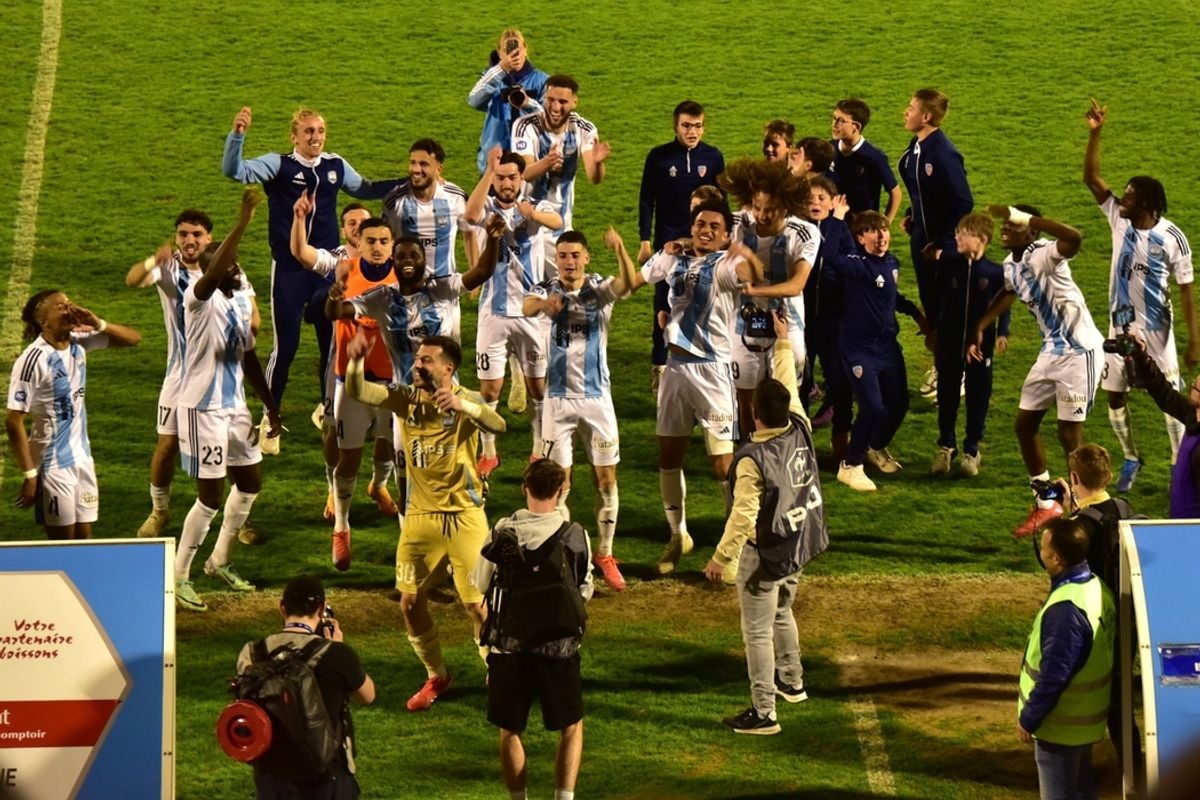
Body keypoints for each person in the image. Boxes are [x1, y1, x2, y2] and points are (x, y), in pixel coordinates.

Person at [344, 331, 506, 712]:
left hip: (465, 515)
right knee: (409, 602)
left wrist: (464, 407)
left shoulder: (465, 399)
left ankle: (497, 669)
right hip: (420, 517)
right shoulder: (406, 399)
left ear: (448, 369)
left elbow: (498, 425)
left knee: (476, 606)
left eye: (426, 360)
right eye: (417, 359)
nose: (417, 365)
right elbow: (359, 391)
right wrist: (355, 361)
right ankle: (437, 675)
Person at [222, 106, 402, 424]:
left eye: (320, 131)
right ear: (294, 136)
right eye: (308, 131)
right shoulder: (278, 165)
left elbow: (367, 189)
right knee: (286, 348)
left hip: (326, 270)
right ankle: (270, 416)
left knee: (330, 346)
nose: (315, 137)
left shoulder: (335, 165)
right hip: (290, 270)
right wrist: (237, 136)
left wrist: (412, 182)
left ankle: (327, 410)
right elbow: (236, 171)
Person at [329, 219, 506, 538]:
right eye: (401, 257)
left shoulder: (443, 288)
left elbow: (481, 272)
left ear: (424, 259)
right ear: (393, 262)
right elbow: (337, 312)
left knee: (457, 474)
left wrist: (492, 239)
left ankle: (460, 539)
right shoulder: (382, 297)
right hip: (406, 403)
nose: (408, 261)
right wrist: (335, 294)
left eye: (414, 255)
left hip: (448, 398)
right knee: (406, 482)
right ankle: (411, 550)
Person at [623, 198, 764, 573]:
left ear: (726, 234)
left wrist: (741, 250)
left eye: (715, 226)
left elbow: (755, 275)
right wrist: (630, 252)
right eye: (701, 224)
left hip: (712, 373)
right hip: (674, 370)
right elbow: (633, 282)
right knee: (669, 457)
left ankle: (734, 546)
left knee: (722, 463)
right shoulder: (673, 257)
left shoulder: (726, 265)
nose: (706, 230)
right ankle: (678, 534)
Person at [703, 309, 827, 735]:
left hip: (768, 551)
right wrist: (784, 340)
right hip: (801, 540)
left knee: (756, 632)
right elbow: (787, 380)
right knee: (783, 610)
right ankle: (792, 681)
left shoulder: (751, 460)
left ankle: (764, 712)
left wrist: (721, 558)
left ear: (754, 413)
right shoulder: (800, 425)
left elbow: (743, 517)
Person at [174, 189, 282, 612]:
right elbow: (215, 268)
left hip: (234, 407)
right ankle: (179, 576)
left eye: (236, 263)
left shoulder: (237, 301)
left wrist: (270, 405)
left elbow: (248, 356)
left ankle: (218, 561)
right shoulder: (197, 299)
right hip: (202, 408)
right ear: (213, 269)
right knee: (210, 497)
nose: (235, 268)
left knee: (250, 483)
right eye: (227, 264)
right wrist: (242, 222)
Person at [1083, 98, 1198, 491]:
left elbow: (1186, 291)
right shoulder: (1119, 219)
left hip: (1157, 332)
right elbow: (1091, 178)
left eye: (1130, 197)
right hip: (1119, 326)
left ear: (1146, 204)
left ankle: (1178, 462)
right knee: (1115, 395)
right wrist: (1096, 133)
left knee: (1171, 402)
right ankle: (1132, 457)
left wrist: (1193, 341)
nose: (1124, 200)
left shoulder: (1172, 238)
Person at [969, 205, 1104, 537]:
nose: (1005, 229)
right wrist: (982, 324)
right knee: (1024, 425)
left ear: (1030, 231)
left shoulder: (1044, 253)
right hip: (1051, 352)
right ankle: (1047, 503)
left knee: (1068, 434)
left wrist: (1028, 218)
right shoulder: (1010, 264)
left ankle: (1086, 510)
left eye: (1012, 225)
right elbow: (1009, 292)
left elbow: (1075, 237)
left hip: (1079, 352)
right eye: (1005, 224)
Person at [523, 228, 639, 591]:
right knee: (560, 484)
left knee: (606, 480)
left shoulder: (599, 289)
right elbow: (527, 307)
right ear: (555, 259)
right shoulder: (545, 288)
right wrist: (545, 306)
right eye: (563, 256)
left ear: (586, 258)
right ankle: (565, 556)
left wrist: (620, 249)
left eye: (575, 255)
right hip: (557, 402)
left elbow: (628, 283)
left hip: (597, 399)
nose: (569, 262)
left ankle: (605, 553)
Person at [471, 459, 592, 800]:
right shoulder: (575, 535)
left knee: (510, 730)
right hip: (559, 649)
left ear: (525, 489)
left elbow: (480, 584)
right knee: (571, 727)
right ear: (560, 491)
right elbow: (583, 591)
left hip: (510, 649)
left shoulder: (501, 533)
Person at [293, 199, 398, 571]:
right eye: (371, 241)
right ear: (358, 242)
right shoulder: (344, 270)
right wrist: (334, 298)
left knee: (389, 446)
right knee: (347, 455)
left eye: (383, 241)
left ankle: (380, 487)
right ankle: (341, 527)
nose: (377, 247)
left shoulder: (403, 277)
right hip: (350, 381)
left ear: (391, 244)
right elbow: (329, 312)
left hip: (391, 381)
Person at [6, 291, 140, 539]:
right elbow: (13, 420)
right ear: (43, 322)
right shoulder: (33, 360)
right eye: (60, 307)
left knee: (85, 540)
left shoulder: (79, 342)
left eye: (69, 304)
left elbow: (133, 339)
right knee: (63, 544)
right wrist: (30, 474)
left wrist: (98, 323)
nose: (69, 310)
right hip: (52, 464)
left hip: (82, 458)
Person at [464, 148, 563, 474]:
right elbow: (470, 215)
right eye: (501, 178)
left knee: (537, 387)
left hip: (531, 313)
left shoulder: (535, 205)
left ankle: (537, 449)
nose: (506, 183)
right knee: (490, 389)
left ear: (522, 178)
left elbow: (557, 221)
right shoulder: (487, 207)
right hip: (493, 312)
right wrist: (487, 172)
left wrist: (532, 216)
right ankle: (489, 452)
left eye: (512, 177)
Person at [236, 575, 375, 800]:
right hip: (327, 776)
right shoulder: (337, 653)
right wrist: (339, 648)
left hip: (272, 775)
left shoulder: (251, 652)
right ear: (321, 609)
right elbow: (368, 695)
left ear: (282, 608)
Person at [825, 211, 932, 491]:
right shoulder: (857, 265)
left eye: (884, 229)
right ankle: (850, 465)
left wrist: (916, 314)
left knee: (899, 404)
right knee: (872, 407)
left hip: (887, 348)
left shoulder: (892, 263)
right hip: (859, 350)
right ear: (860, 238)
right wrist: (836, 220)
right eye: (873, 231)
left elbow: (890, 297)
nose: (881, 235)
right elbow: (830, 255)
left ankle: (874, 446)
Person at [126, 209, 214, 538]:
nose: (190, 240)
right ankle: (159, 511)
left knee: (225, 447)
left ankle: (239, 515)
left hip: (216, 376)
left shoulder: (222, 269)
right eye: (183, 234)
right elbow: (133, 279)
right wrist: (154, 259)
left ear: (208, 238)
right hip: (178, 374)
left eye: (197, 234)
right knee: (166, 445)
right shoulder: (169, 268)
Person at [720, 158, 819, 437]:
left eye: (770, 209)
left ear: (785, 206)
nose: (762, 215)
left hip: (786, 325)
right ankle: (749, 450)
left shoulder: (804, 232)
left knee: (787, 398)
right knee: (745, 399)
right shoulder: (737, 224)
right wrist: (681, 244)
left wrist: (756, 291)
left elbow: (797, 284)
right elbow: (705, 239)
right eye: (757, 207)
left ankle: (788, 448)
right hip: (742, 325)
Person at [1018, 516, 1115, 800]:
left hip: (1060, 727)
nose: (1040, 553)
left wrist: (1029, 718)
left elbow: (1054, 675)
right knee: (1082, 790)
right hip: (1083, 720)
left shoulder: (1066, 610)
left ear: (1056, 558)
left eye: (1043, 549)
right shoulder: (1096, 586)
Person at [637, 100, 725, 394]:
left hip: (703, 245)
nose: (692, 132)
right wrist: (645, 240)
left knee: (703, 300)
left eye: (697, 126)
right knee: (663, 304)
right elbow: (646, 199)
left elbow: (721, 204)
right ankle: (659, 365)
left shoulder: (713, 157)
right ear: (675, 126)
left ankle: (703, 359)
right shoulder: (659, 157)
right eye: (686, 126)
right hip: (669, 244)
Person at [898, 88, 974, 400]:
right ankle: (943, 364)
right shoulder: (917, 147)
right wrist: (912, 215)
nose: (906, 112)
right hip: (923, 242)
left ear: (926, 116)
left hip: (939, 249)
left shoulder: (943, 153)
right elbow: (922, 193)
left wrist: (943, 243)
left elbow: (963, 201)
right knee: (932, 308)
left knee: (944, 311)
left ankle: (956, 372)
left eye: (911, 108)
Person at [929, 212, 1010, 477]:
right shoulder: (949, 263)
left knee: (978, 395)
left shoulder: (995, 273)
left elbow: (1003, 305)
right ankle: (946, 445)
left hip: (981, 345)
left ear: (981, 239)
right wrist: (934, 329)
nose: (957, 238)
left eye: (963, 234)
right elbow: (937, 297)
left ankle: (972, 449)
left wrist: (1003, 332)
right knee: (947, 394)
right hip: (950, 342)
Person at [512, 73, 610, 264]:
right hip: (527, 224)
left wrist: (598, 163)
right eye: (550, 100)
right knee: (525, 283)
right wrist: (547, 163)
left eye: (563, 101)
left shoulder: (583, 129)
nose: (555, 107)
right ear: (544, 98)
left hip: (560, 228)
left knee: (566, 282)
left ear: (574, 102)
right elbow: (523, 173)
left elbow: (594, 177)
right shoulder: (525, 126)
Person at [800, 178, 856, 462]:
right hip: (802, 321)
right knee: (799, 381)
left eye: (821, 198)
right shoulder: (797, 229)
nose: (815, 203)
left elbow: (842, 262)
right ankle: (799, 442)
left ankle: (841, 440)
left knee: (840, 382)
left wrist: (835, 222)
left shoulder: (841, 231)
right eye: (810, 198)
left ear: (833, 202)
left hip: (833, 322)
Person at [1127, 342, 1200, 517]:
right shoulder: (1193, 415)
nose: (1190, 388)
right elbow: (1163, 392)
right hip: (1180, 524)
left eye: (1195, 387)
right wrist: (1141, 357)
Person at [467, 27, 549, 174]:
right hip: (494, 160)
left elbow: (550, 122)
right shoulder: (491, 76)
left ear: (525, 49)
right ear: (499, 53)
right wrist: (500, 70)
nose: (514, 56)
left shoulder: (542, 80)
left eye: (517, 50)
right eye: (507, 51)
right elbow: (473, 100)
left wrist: (528, 103)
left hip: (528, 159)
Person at [828, 98, 902, 222]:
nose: (835, 124)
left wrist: (885, 224)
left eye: (841, 121)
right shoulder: (829, 149)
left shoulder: (874, 157)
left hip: (860, 226)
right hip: (832, 222)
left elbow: (895, 192)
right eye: (834, 118)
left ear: (856, 127)